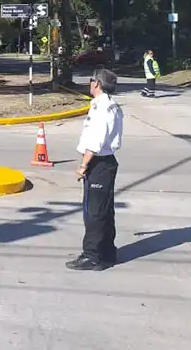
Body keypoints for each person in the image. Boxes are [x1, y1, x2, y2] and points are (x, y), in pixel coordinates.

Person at [66, 67, 124, 271]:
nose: (89, 83)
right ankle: (107, 253)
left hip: (98, 163)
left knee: (94, 213)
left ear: (97, 83)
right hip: (107, 162)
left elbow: (96, 142)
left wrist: (83, 166)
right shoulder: (112, 106)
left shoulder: (102, 109)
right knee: (105, 211)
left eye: (91, 80)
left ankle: (92, 255)